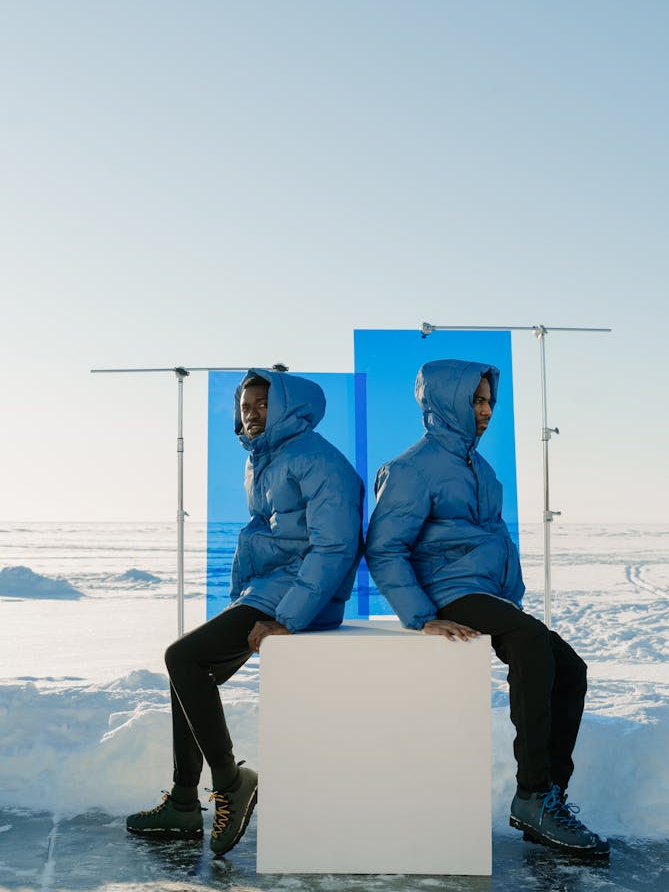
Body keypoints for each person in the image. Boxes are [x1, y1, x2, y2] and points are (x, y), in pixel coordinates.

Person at [364, 358, 609, 859]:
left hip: (484, 593)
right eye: (476, 400)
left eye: (489, 401)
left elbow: (498, 539)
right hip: (442, 589)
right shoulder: (410, 469)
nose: (486, 410)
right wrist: (421, 615)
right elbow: (384, 547)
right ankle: (532, 793)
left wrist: (510, 602)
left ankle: (550, 794)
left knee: (571, 667)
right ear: (446, 400)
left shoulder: (483, 469)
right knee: (529, 640)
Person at [127, 367, 364, 856]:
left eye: (262, 405)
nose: (252, 415)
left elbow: (334, 547)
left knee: (183, 658)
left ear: (286, 407)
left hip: (298, 596)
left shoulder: (317, 459)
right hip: (269, 589)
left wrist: (288, 617)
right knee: (190, 673)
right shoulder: (267, 458)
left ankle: (231, 780)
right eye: (245, 407)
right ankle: (185, 801)